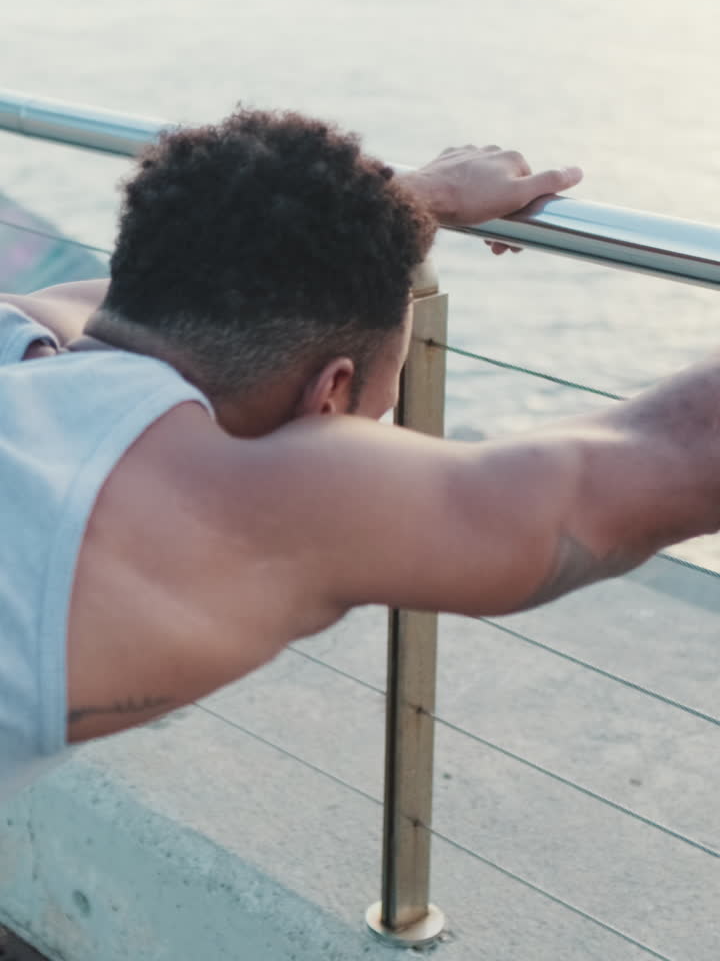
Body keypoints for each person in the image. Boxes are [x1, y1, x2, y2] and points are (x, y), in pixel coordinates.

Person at [0, 107, 718, 799]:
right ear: (330, 395)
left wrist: (411, 203)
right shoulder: (228, 513)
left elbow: (210, 282)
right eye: (379, 407)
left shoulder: (20, 330)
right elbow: (671, 457)